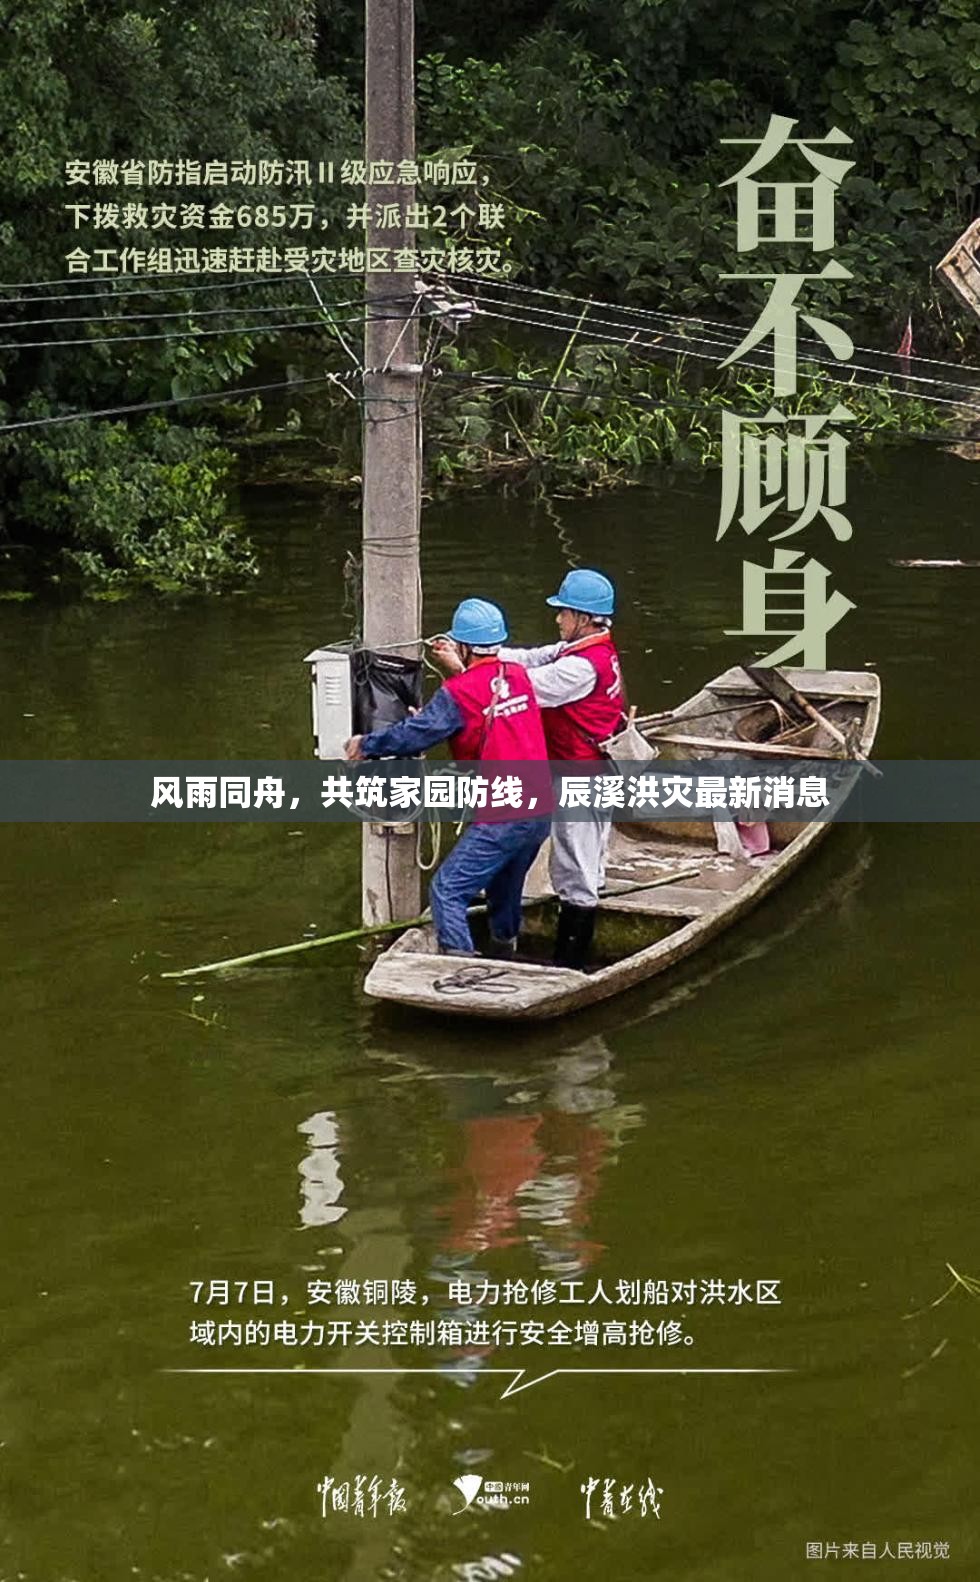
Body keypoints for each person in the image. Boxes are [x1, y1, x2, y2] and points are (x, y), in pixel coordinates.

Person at [345, 598, 549, 958]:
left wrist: (367, 744)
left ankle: (462, 973)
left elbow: (417, 734)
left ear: (465, 646)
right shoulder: (517, 677)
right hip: (539, 809)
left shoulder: (457, 693)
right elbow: (488, 704)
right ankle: (507, 957)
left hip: (502, 814)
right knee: (505, 891)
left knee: (447, 890)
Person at [495, 568, 628, 970]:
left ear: (584, 619)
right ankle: (589, 896)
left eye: (564, 613)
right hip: (595, 767)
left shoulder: (579, 668)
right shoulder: (590, 649)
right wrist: (484, 651)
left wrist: (471, 669)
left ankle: (569, 964)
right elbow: (530, 657)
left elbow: (521, 687)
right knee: (590, 854)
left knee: (574, 869)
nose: (558, 619)